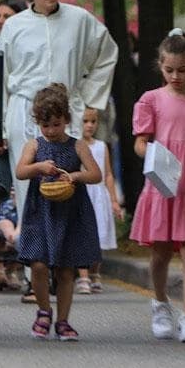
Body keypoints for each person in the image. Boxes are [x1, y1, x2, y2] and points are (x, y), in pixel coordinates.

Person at [0, 0, 118, 221]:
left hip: (66, 111)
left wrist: (88, 97)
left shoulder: (80, 20)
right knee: (29, 186)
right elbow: (1, 76)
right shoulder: (14, 26)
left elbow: (107, 53)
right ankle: (34, 257)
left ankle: (69, 257)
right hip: (25, 110)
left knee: (68, 183)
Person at [131, 31, 185, 344]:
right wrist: (155, 154)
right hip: (164, 181)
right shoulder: (151, 100)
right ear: (161, 66)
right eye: (169, 70)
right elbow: (140, 143)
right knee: (160, 251)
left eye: (182, 70)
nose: (176, 76)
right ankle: (160, 304)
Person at [15, 84, 103, 341]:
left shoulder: (77, 147)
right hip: (40, 213)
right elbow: (20, 172)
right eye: (45, 126)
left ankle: (63, 320)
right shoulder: (34, 145)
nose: (51, 131)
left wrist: (74, 176)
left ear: (66, 119)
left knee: (66, 269)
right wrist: (39, 167)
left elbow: (95, 174)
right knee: (39, 264)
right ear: (37, 123)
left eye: (56, 124)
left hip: (69, 213)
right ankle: (44, 311)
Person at [77, 107, 122, 290]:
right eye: (85, 121)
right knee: (83, 233)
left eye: (93, 122)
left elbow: (108, 174)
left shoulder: (101, 146)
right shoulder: (76, 145)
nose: (89, 126)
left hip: (99, 194)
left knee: (100, 233)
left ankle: (95, 272)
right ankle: (83, 275)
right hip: (84, 192)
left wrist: (113, 200)